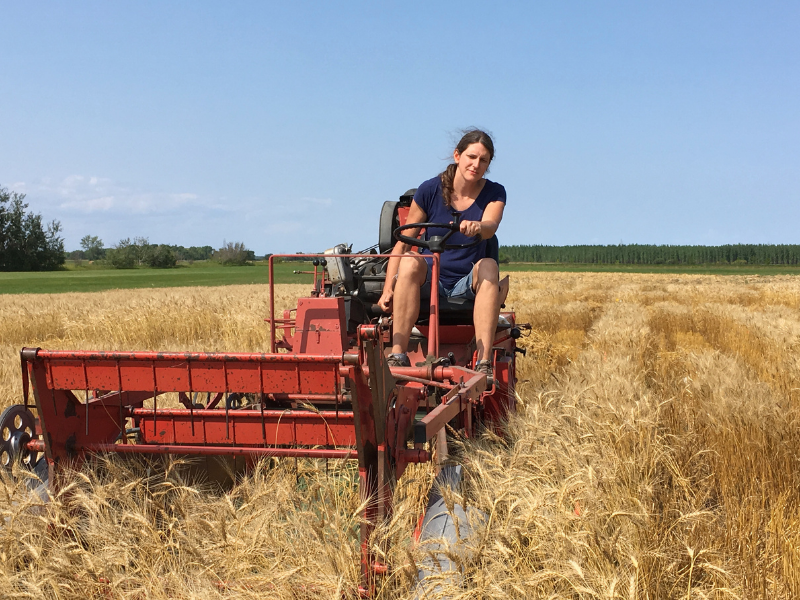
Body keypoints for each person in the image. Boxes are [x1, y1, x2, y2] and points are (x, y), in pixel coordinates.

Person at [377, 129, 507, 375]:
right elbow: (404, 241)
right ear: (457, 156)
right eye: (471, 157)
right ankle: (397, 354)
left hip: (466, 282)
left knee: (489, 265)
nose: (476, 164)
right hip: (430, 279)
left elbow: (490, 227)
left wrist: (479, 226)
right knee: (410, 260)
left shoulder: (495, 192)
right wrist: (387, 290)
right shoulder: (429, 190)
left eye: (483, 160)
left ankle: (484, 362)